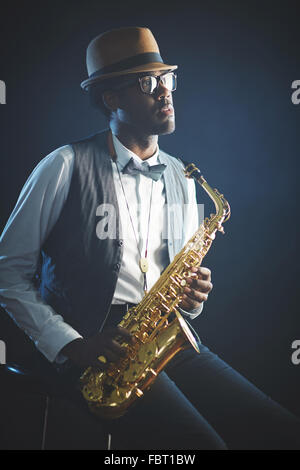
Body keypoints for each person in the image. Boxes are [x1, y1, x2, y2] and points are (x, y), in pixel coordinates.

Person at [0, 26, 300, 450]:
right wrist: (71, 345)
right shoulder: (62, 166)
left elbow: (179, 277)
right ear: (111, 98)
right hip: (93, 347)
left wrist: (193, 297)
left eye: (167, 79)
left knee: (280, 430)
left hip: (160, 337)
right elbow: (8, 272)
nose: (165, 92)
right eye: (148, 82)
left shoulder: (182, 175)